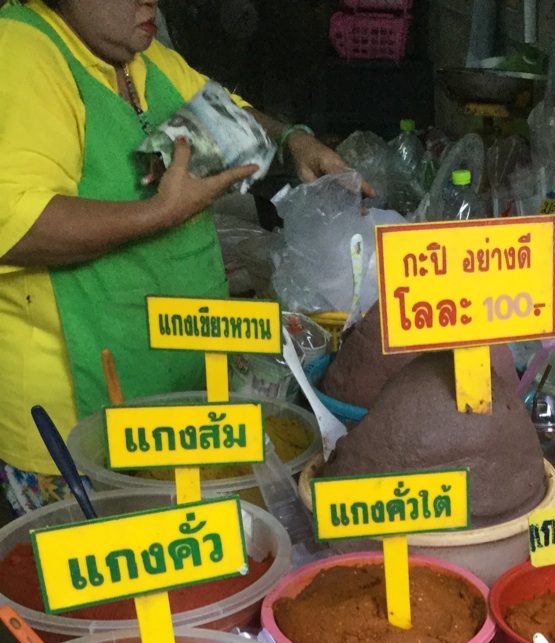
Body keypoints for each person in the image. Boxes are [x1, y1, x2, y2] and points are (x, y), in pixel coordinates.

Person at [0, 0, 364, 514]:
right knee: (113, 584)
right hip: (76, 433)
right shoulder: (23, 51)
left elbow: (224, 111)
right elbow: (15, 223)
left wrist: (291, 140)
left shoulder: (144, 61)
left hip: (174, 411)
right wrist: (160, 214)